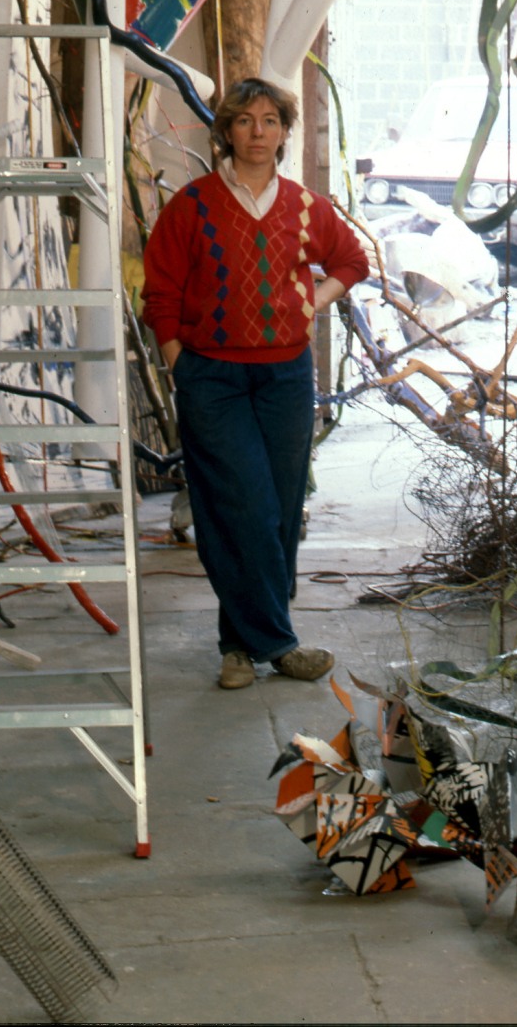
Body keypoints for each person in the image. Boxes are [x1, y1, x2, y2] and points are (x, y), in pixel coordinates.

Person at [140, 76, 369, 689]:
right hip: (212, 376)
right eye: (244, 121)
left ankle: (238, 648)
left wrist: (310, 303)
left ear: (285, 132)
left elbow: (352, 260)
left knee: (278, 509)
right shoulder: (192, 206)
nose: (258, 132)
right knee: (239, 504)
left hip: (285, 375)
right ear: (226, 132)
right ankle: (279, 643)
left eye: (270, 120)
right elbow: (159, 290)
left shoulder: (303, 206)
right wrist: (177, 361)